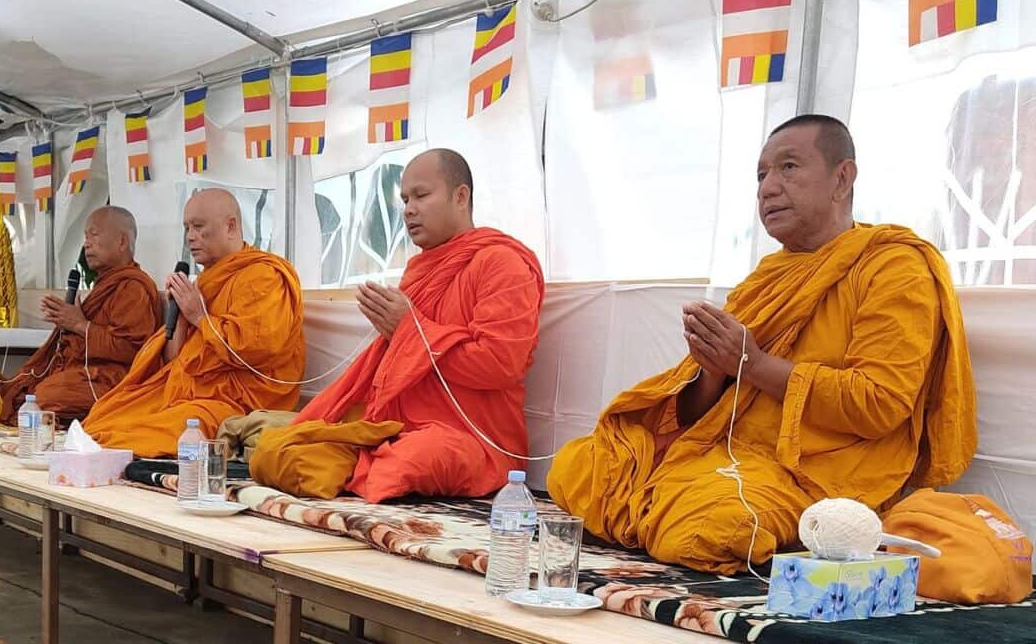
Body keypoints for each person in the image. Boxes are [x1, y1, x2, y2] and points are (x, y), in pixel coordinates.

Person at [548, 115, 976, 574]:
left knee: (704, 530)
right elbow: (702, 416)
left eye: (788, 168)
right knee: (578, 468)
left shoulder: (892, 267)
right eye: (761, 175)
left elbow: (880, 403)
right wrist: (713, 367)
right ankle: (661, 506)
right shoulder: (767, 277)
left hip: (818, 471)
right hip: (723, 456)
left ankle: (686, 512)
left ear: (842, 178)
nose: (767, 188)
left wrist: (751, 364)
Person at [254, 149, 545, 503]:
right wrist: (402, 334)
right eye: (405, 199)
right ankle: (361, 459)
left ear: (461, 196)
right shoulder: (419, 270)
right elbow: (397, 366)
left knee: (408, 462)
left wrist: (408, 329)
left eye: (421, 196)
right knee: (275, 451)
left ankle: (361, 463)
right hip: (400, 424)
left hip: (476, 437)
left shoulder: (502, 264)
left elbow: (500, 364)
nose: (408, 209)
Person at [79, 189, 306, 458]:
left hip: (238, 402)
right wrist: (184, 317)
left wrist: (199, 316)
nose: (190, 237)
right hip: (187, 390)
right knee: (107, 413)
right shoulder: (206, 283)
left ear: (230, 226)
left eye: (198, 227)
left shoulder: (263, 275)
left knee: (141, 433)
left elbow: (254, 350)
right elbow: (175, 357)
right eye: (187, 228)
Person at [0, 206, 161, 424]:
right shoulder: (105, 285)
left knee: (46, 397)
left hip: (112, 380)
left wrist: (79, 324)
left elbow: (132, 350)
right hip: (76, 373)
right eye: (85, 236)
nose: (86, 243)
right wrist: (68, 322)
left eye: (94, 234)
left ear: (122, 241)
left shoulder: (132, 288)